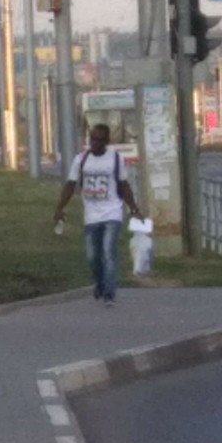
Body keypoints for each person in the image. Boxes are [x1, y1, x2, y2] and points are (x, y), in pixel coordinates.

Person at [54, 123, 143, 307]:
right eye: (92, 138)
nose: (94, 143)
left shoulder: (115, 159)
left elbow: (124, 185)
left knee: (108, 252)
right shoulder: (81, 159)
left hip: (112, 212)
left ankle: (109, 294)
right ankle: (100, 283)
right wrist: (60, 208)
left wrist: (134, 209)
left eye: (99, 140)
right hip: (91, 216)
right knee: (92, 257)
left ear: (106, 141)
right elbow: (71, 184)